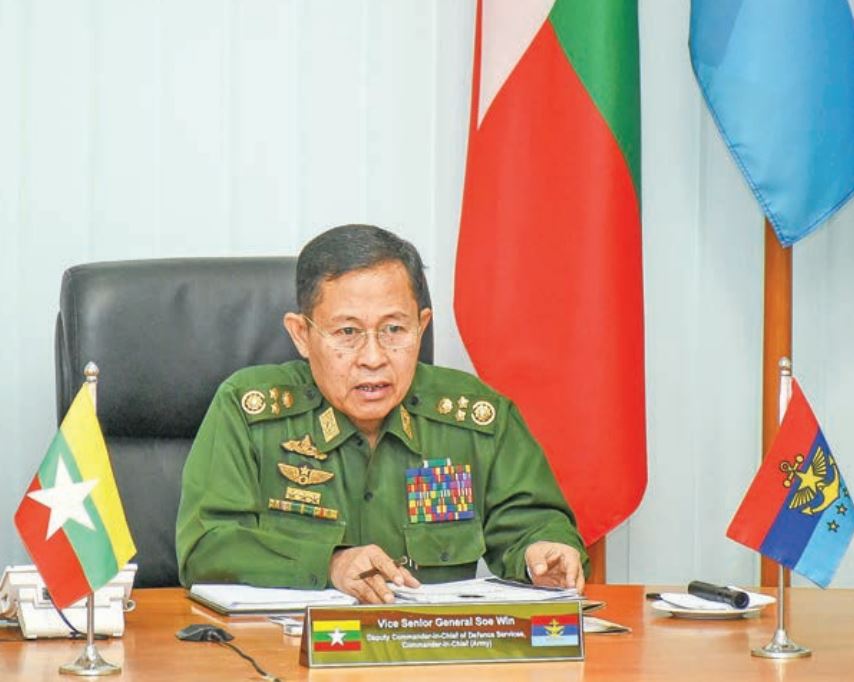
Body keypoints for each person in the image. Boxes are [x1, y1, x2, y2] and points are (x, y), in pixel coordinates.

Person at [176, 224, 588, 604]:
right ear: (301, 335)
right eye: (347, 332)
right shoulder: (250, 411)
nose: (373, 358)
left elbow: (532, 521)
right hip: (285, 647)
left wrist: (543, 551)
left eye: (394, 329)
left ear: (421, 327)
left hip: (432, 646)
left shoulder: (476, 417)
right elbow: (207, 547)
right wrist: (329, 563)